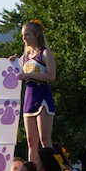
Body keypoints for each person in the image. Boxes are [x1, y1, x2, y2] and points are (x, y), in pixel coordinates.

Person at [10, 20, 56, 161]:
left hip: (43, 97)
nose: (24, 38)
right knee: (31, 143)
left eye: (27, 34)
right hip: (29, 99)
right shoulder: (25, 57)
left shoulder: (45, 53)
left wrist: (29, 75)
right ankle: (31, 169)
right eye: (23, 35)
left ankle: (49, 169)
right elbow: (14, 72)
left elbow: (51, 76)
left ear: (37, 34)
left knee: (45, 139)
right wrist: (12, 61)